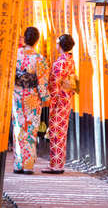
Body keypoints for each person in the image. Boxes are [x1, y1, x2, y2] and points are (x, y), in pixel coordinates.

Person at [12, 27, 50, 174]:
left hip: (17, 95)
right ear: (36, 40)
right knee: (31, 129)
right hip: (32, 98)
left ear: (24, 39)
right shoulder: (39, 59)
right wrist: (45, 97)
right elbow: (42, 81)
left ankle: (18, 164)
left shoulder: (15, 55)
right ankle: (28, 165)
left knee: (18, 127)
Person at [42, 34, 76, 174]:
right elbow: (74, 83)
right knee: (62, 133)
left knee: (55, 133)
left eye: (57, 43)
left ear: (60, 45)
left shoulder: (59, 63)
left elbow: (54, 85)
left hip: (58, 102)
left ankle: (55, 165)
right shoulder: (71, 61)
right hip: (67, 99)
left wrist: (52, 101)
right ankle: (59, 164)